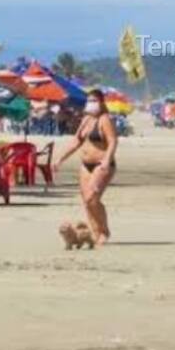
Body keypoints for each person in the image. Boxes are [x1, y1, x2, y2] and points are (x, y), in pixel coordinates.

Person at [55, 89, 118, 246]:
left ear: (101, 102)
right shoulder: (86, 120)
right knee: (86, 200)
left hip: (102, 164)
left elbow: (113, 141)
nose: (90, 104)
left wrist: (107, 159)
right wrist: (60, 159)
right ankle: (94, 233)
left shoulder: (104, 120)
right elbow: (76, 141)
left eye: (94, 101)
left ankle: (104, 232)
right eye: (89, 101)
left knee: (92, 199)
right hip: (85, 165)